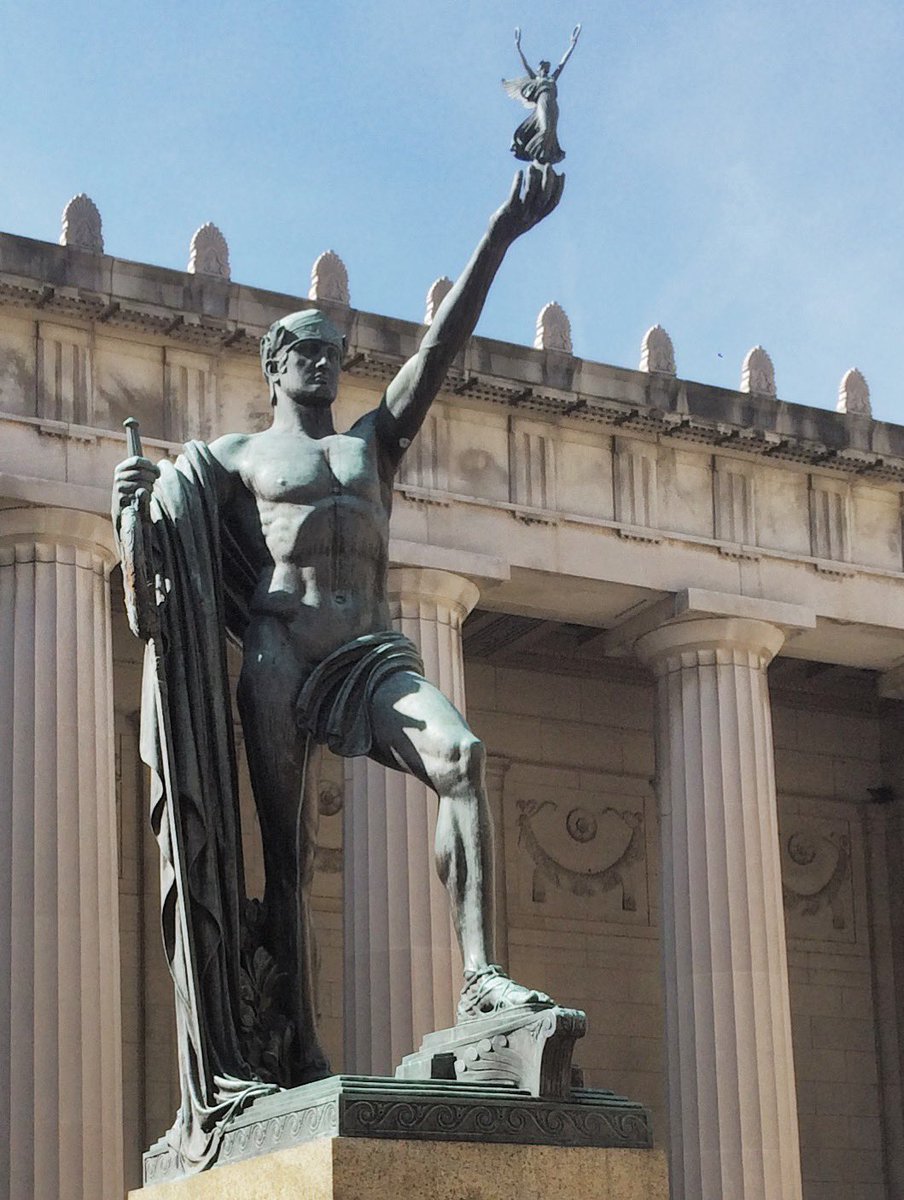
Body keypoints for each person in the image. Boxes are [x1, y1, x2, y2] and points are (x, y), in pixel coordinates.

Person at [113, 165, 565, 1169]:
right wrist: (130, 508)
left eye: (335, 354)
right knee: (288, 871)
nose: (325, 366)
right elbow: (159, 588)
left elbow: (442, 349)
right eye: (307, 353)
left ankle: (483, 974)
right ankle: (302, 1048)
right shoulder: (229, 461)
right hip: (277, 656)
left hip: (365, 653)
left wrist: (501, 227)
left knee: (460, 755)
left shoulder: (372, 447)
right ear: (274, 363)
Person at [504, 24, 581, 165]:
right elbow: (525, 65)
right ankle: (532, 152)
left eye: (547, 67)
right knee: (544, 128)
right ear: (540, 69)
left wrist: (572, 45)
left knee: (551, 130)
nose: (546, 68)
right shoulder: (536, 79)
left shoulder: (552, 78)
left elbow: (563, 63)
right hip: (542, 102)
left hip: (553, 104)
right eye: (543, 67)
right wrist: (518, 47)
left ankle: (546, 155)